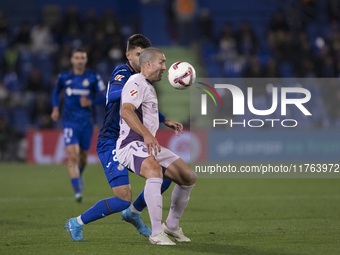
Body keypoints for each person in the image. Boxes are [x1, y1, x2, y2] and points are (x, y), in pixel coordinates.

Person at [65, 35, 180, 240]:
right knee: (122, 198)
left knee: (166, 176)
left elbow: (145, 105)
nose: (143, 58)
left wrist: (164, 120)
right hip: (112, 141)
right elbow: (121, 97)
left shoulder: (145, 80)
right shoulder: (122, 73)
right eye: (138, 54)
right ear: (128, 55)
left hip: (134, 140)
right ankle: (77, 222)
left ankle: (133, 213)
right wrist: (136, 86)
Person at [117, 47, 196, 245]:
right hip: (130, 145)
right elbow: (126, 111)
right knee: (154, 171)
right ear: (148, 64)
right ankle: (156, 233)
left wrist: (164, 121)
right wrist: (146, 135)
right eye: (161, 62)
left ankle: (172, 225)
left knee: (188, 177)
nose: (164, 67)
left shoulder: (148, 85)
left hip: (147, 145)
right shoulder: (136, 81)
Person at [51, 48, 106, 202]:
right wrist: (55, 108)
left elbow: (104, 95)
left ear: (86, 60)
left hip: (87, 122)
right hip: (69, 122)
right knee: (73, 156)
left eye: (82, 58)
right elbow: (55, 92)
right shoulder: (63, 77)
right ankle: (77, 191)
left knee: (83, 158)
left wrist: (91, 101)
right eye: (77, 58)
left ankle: (78, 175)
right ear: (72, 60)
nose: (79, 60)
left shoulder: (93, 77)